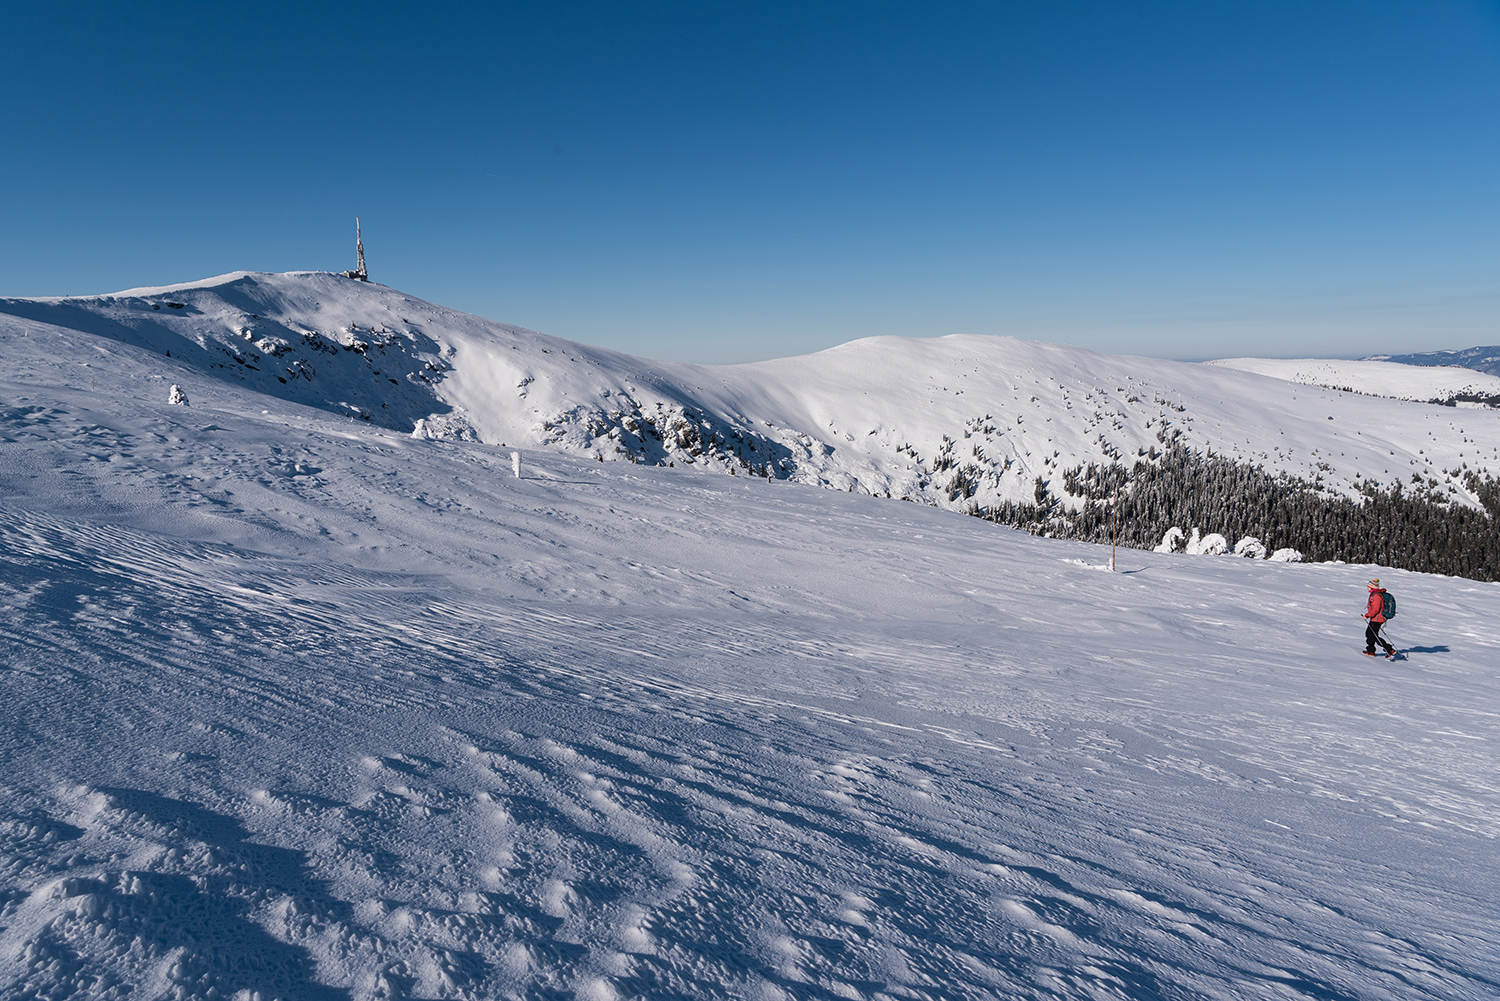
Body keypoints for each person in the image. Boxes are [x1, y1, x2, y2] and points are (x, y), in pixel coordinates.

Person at [1363, 578, 1396, 658]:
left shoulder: (1376, 596)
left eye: (1369, 586)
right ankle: (1371, 650)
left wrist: (1367, 615)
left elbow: (1376, 609)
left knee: (1373, 635)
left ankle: (1389, 649)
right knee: (1369, 634)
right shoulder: (1375, 594)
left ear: (1372, 587)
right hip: (1376, 618)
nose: (1367, 587)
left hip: (1377, 619)